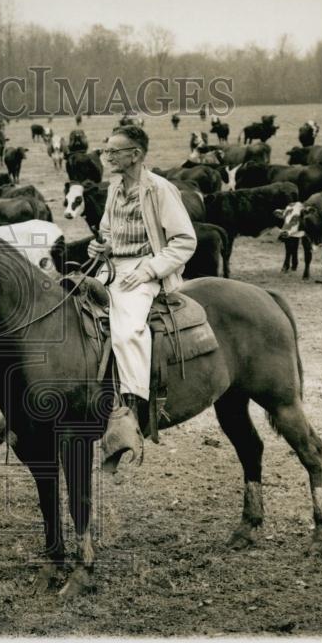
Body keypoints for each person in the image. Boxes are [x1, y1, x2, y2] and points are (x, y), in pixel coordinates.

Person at [87, 125, 196, 473]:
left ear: (135, 154)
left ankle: (129, 413)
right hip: (111, 264)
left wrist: (149, 270)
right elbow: (107, 230)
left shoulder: (160, 189)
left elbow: (183, 241)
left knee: (127, 330)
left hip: (144, 268)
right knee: (74, 310)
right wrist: (100, 245)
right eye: (106, 151)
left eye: (113, 151)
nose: (107, 157)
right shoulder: (115, 187)